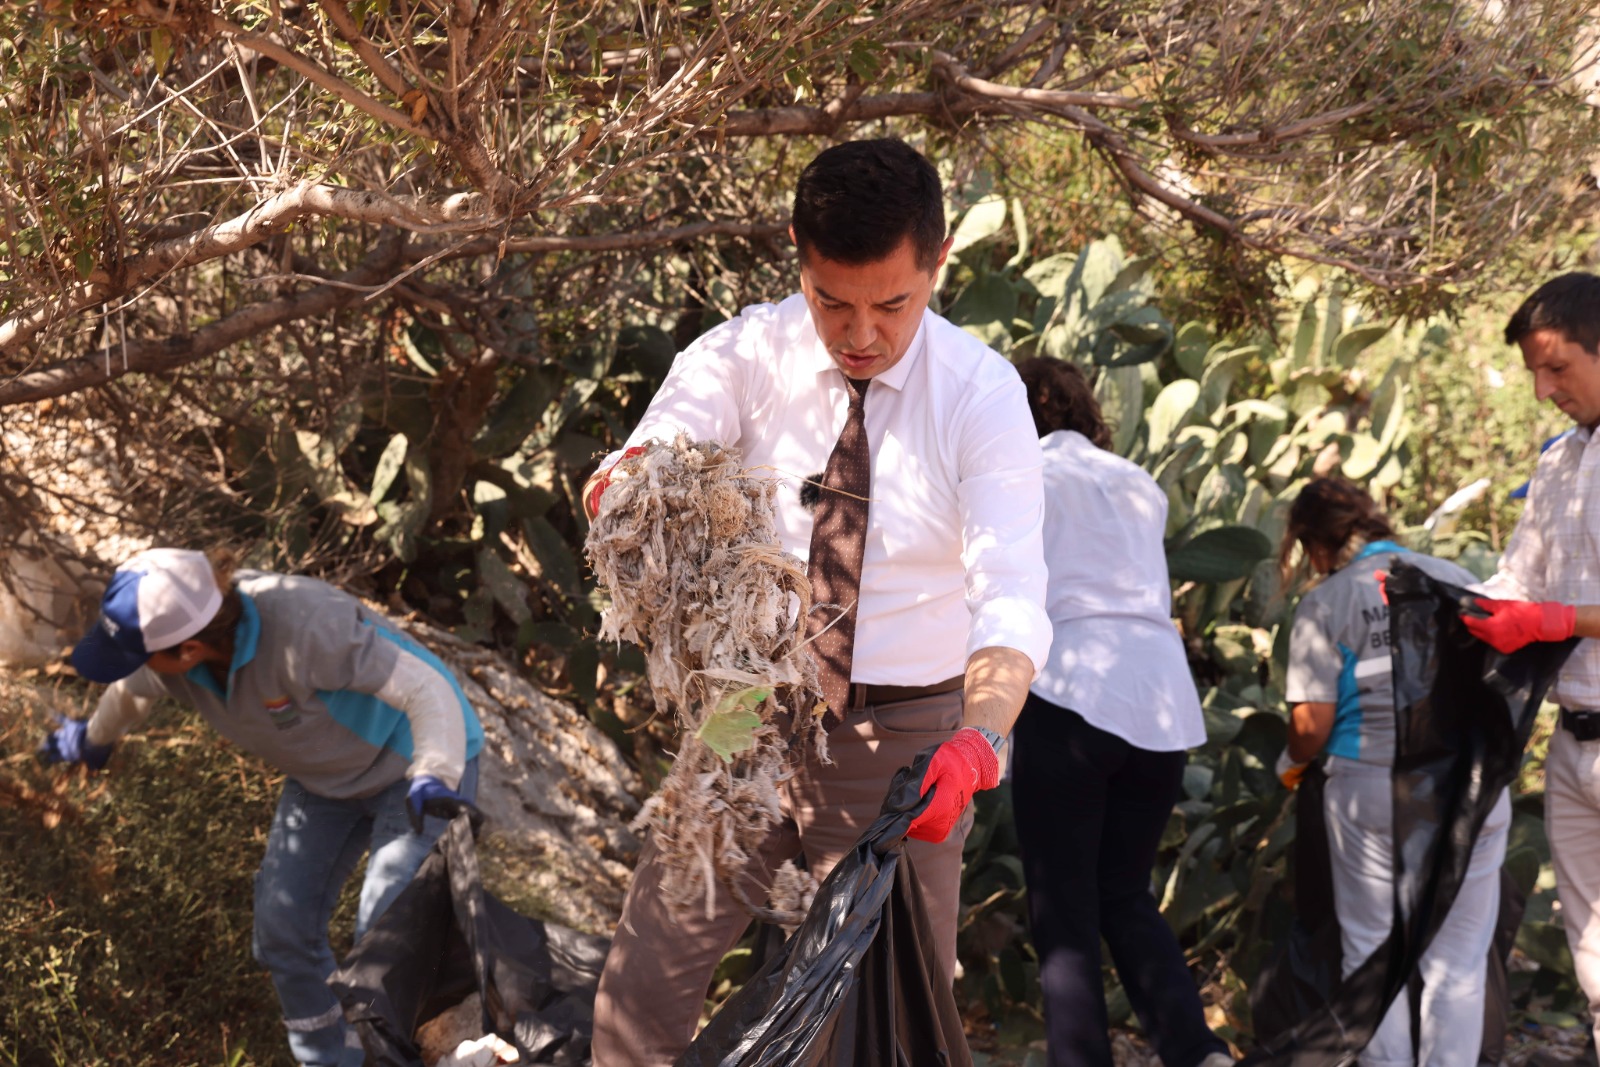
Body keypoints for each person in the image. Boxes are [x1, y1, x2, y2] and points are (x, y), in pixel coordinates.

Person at [582, 138, 1052, 1066]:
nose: (861, 333)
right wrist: (627, 492)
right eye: (832, 299)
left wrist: (977, 737)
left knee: (874, 1019)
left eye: (893, 303)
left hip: (911, 738)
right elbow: (648, 461)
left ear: (939, 259)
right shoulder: (743, 352)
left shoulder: (982, 395)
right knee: (648, 971)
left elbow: (1011, 593)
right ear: (798, 251)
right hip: (746, 708)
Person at [39, 547, 484, 1067]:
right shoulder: (175, 658)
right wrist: (93, 740)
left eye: (141, 654)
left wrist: (434, 770)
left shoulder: (306, 625)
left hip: (415, 767)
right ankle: (331, 1058)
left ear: (189, 648)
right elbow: (129, 693)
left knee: (386, 945)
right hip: (325, 780)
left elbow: (425, 689)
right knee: (282, 930)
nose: (136, 666)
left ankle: (399, 1057)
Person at [1010, 357, 1234, 1067]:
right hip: (1161, 699)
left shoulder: (1021, 475)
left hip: (1073, 688)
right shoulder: (1139, 482)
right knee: (1126, 893)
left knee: (1065, 913)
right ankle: (1198, 1052)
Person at [1278, 477, 1507, 1067]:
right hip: (1469, 788)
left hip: (1370, 791)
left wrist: (1290, 766)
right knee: (1456, 959)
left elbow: (1312, 724)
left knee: (1371, 948)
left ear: (1314, 544)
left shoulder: (1326, 601)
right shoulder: (1459, 580)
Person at [1462, 271, 1600, 1061]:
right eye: (1534, 375)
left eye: (1558, 369)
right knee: (1593, 965)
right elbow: (1517, 582)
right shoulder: (1556, 465)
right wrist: (1425, 592)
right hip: (1573, 745)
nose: (1545, 390)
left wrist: (1558, 622)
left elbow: (1546, 611)